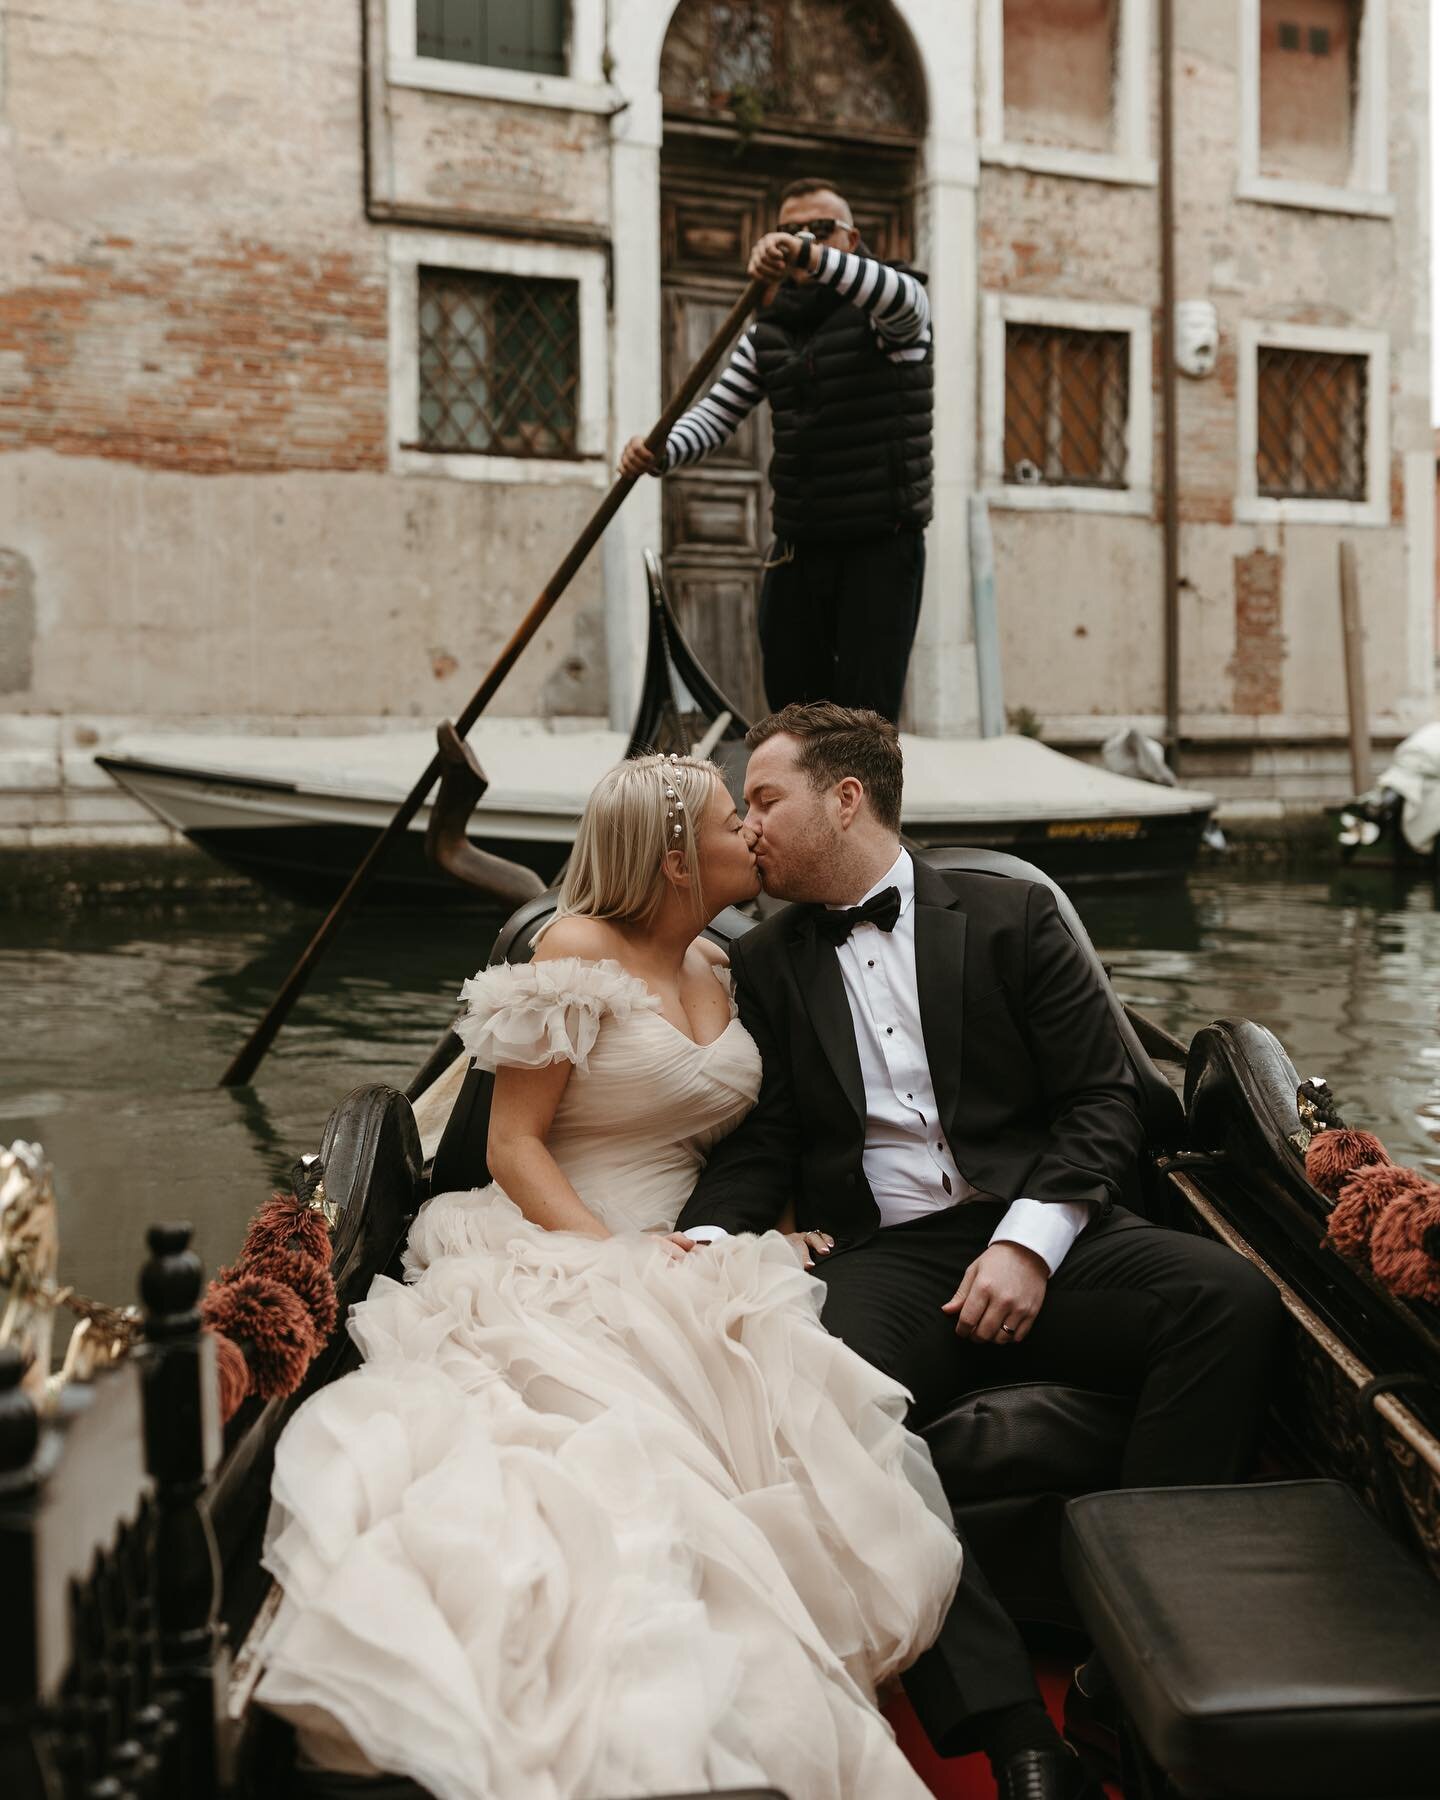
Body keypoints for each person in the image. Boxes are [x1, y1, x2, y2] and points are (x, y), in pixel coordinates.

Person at [254, 752, 964, 1799]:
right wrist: (608, 1252)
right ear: (678, 853)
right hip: (558, 1235)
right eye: (737, 819)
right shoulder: (571, 952)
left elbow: (749, 1132)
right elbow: (514, 1148)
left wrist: (778, 1222)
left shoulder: (726, 970)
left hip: (691, 1246)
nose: (754, 835)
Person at [677, 701, 1286, 1800]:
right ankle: (1016, 1730)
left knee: (1226, 1301)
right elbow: (762, 1143)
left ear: (845, 799)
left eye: (765, 799)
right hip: (886, 1253)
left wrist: (1030, 1245)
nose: (749, 825)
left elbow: (1102, 1101)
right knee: (826, 1401)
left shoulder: (1014, 918)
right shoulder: (765, 961)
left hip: (1037, 1222)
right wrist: (706, 1237)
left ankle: (1122, 1661)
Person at [620, 177, 932, 724]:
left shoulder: (894, 312)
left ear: (851, 240)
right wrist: (659, 451)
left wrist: (805, 252)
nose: (803, 240)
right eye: (789, 230)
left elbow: (905, 300)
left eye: (819, 230)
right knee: (793, 714)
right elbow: (717, 417)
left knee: (864, 724)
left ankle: (863, 810)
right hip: (799, 545)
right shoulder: (770, 332)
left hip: (881, 546)